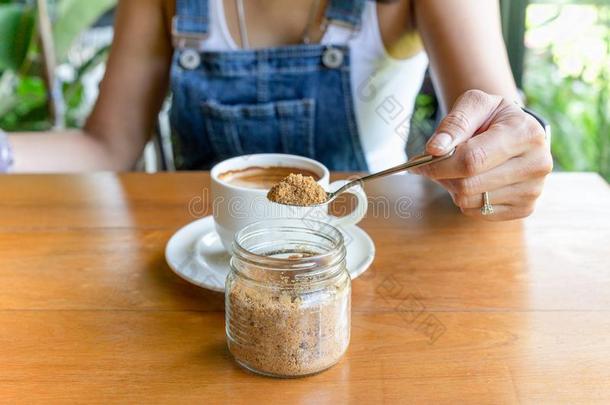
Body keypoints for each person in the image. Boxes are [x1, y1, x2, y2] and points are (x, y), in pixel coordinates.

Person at [0, 0, 553, 221]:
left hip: (369, 262)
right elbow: (108, 146)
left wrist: (509, 151)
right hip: (206, 267)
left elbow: (498, 124)